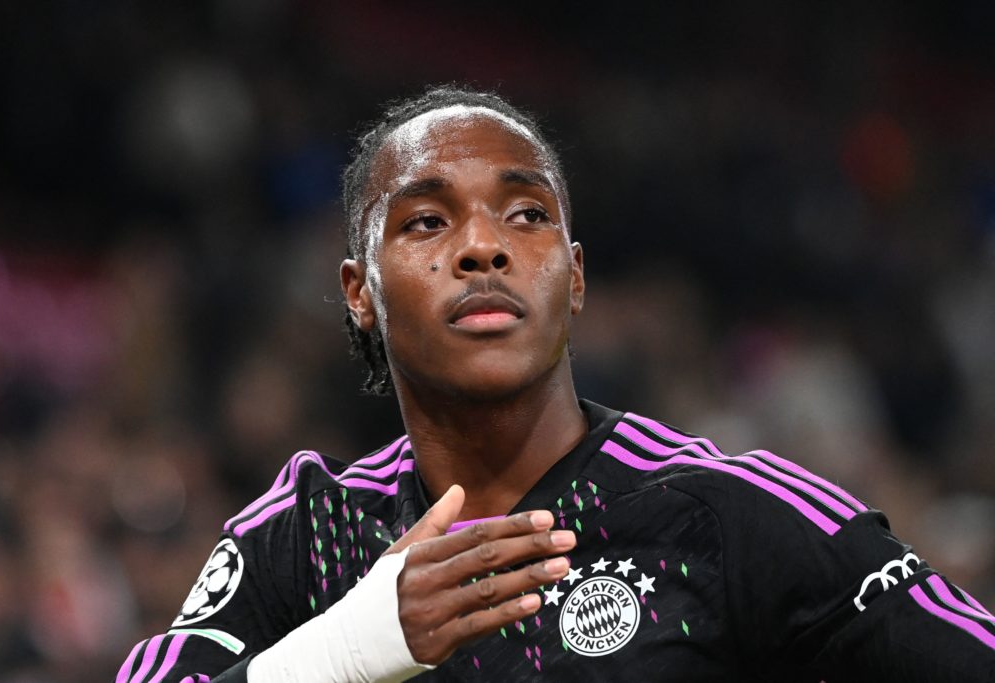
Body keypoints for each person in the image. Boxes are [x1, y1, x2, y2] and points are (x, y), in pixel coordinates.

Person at [116, 86, 995, 682]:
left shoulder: (731, 517)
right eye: (426, 220)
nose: (483, 246)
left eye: (526, 214)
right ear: (360, 295)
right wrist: (353, 645)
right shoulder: (306, 531)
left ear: (573, 276)